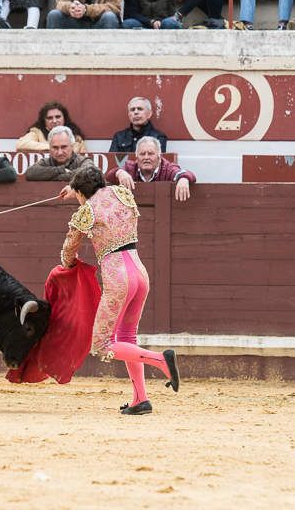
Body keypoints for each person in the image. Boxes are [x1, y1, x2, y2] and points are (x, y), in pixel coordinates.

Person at [59, 165, 180, 415]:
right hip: (139, 273)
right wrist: (75, 190)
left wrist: (68, 265)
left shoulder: (86, 211)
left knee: (102, 345)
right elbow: (100, 195)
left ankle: (160, 360)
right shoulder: (121, 194)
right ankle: (140, 399)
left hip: (118, 279)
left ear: (82, 192)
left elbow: (70, 248)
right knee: (128, 338)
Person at [105, 136, 196, 201]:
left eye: (151, 153)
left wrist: (184, 178)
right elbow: (109, 176)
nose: (146, 157)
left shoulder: (167, 168)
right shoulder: (130, 168)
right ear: (136, 156)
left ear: (159, 156)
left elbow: (185, 173)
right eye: (142, 154)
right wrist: (119, 172)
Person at [25, 126, 94, 181]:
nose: (60, 152)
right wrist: (62, 170)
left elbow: (89, 173)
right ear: (50, 148)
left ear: (72, 146)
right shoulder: (46, 162)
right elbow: (30, 173)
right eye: (55, 148)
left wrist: (52, 176)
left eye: (64, 147)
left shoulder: (83, 161)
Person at [16, 101, 87, 154]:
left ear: (64, 118)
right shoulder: (37, 133)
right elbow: (21, 145)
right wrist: (52, 148)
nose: (54, 121)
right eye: (50, 118)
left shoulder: (76, 137)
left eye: (58, 117)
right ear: (44, 121)